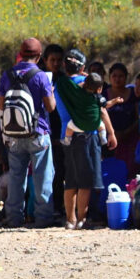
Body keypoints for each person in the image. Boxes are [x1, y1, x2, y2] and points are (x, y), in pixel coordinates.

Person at [0, 38, 59, 228]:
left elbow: (0, 104)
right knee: (42, 176)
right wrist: (51, 93)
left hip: (14, 134)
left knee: (16, 177)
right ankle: (43, 218)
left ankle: (14, 218)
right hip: (37, 133)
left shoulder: (8, 74)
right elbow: (50, 107)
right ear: (39, 56)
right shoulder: (40, 76)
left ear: (21, 54)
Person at [57, 65, 118, 230]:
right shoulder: (94, 95)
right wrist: (111, 133)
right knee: (86, 181)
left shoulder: (66, 86)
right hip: (90, 136)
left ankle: (70, 220)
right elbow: (103, 110)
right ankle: (82, 219)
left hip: (69, 135)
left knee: (70, 179)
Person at [40, 43, 67, 216]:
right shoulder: (40, 78)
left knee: (62, 171)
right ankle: (50, 208)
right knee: (48, 173)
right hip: (44, 131)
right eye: (52, 60)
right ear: (45, 60)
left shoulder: (65, 80)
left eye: (59, 60)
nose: (56, 64)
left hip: (62, 132)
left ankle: (62, 206)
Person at [104, 63, 140, 176]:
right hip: (108, 140)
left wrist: (125, 132)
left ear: (126, 77)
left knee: (129, 171)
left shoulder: (134, 94)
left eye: (120, 76)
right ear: (109, 77)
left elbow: (139, 116)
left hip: (130, 139)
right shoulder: (103, 94)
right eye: (114, 76)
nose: (117, 79)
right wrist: (112, 133)